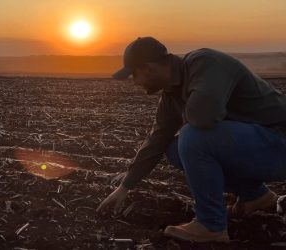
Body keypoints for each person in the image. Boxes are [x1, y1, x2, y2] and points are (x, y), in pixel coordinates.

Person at [96, 37, 286, 242]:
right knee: (175, 148)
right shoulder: (171, 94)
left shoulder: (206, 64)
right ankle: (255, 196)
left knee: (192, 138)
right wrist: (125, 186)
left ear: (149, 68)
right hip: (261, 148)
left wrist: (180, 113)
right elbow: (157, 140)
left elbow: (204, 117)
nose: (135, 82)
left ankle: (211, 225)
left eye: (135, 74)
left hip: (279, 142)